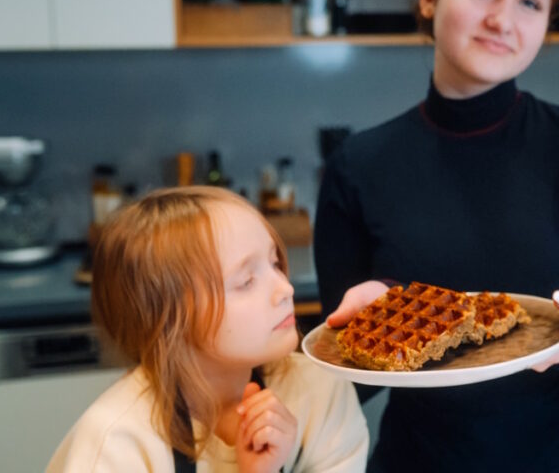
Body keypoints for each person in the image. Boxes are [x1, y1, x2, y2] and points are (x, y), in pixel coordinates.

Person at [313, 0, 559, 473]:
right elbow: (348, 380)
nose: (503, 18)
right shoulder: (358, 166)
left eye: (530, 1)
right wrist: (366, 334)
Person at [47, 186, 368, 472]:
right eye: (246, 281)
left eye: (274, 263)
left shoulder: (320, 392)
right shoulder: (115, 443)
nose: (285, 288)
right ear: (169, 319)